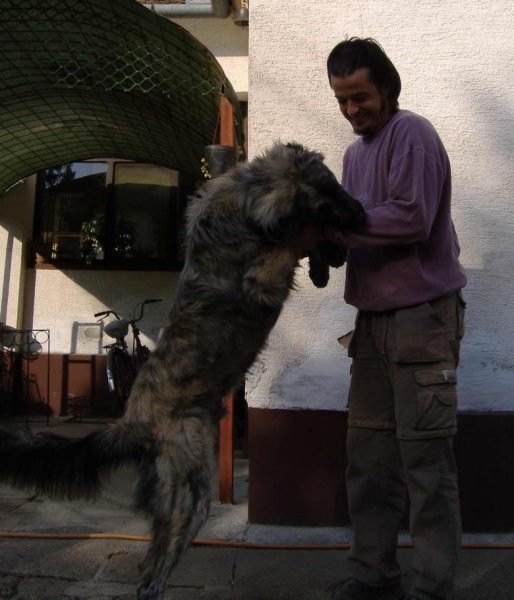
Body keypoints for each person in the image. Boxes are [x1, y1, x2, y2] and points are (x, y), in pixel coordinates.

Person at [325, 38, 467, 600]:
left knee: (426, 464)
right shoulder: (354, 155)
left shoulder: (414, 135)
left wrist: (330, 228)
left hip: (422, 320)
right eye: (341, 100)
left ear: (386, 86)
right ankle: (372, 575)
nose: (352, 110)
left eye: (360, 97)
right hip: (372, 325)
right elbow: (352, 229)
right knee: (369, 460)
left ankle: (431, 588)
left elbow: (409, 218)